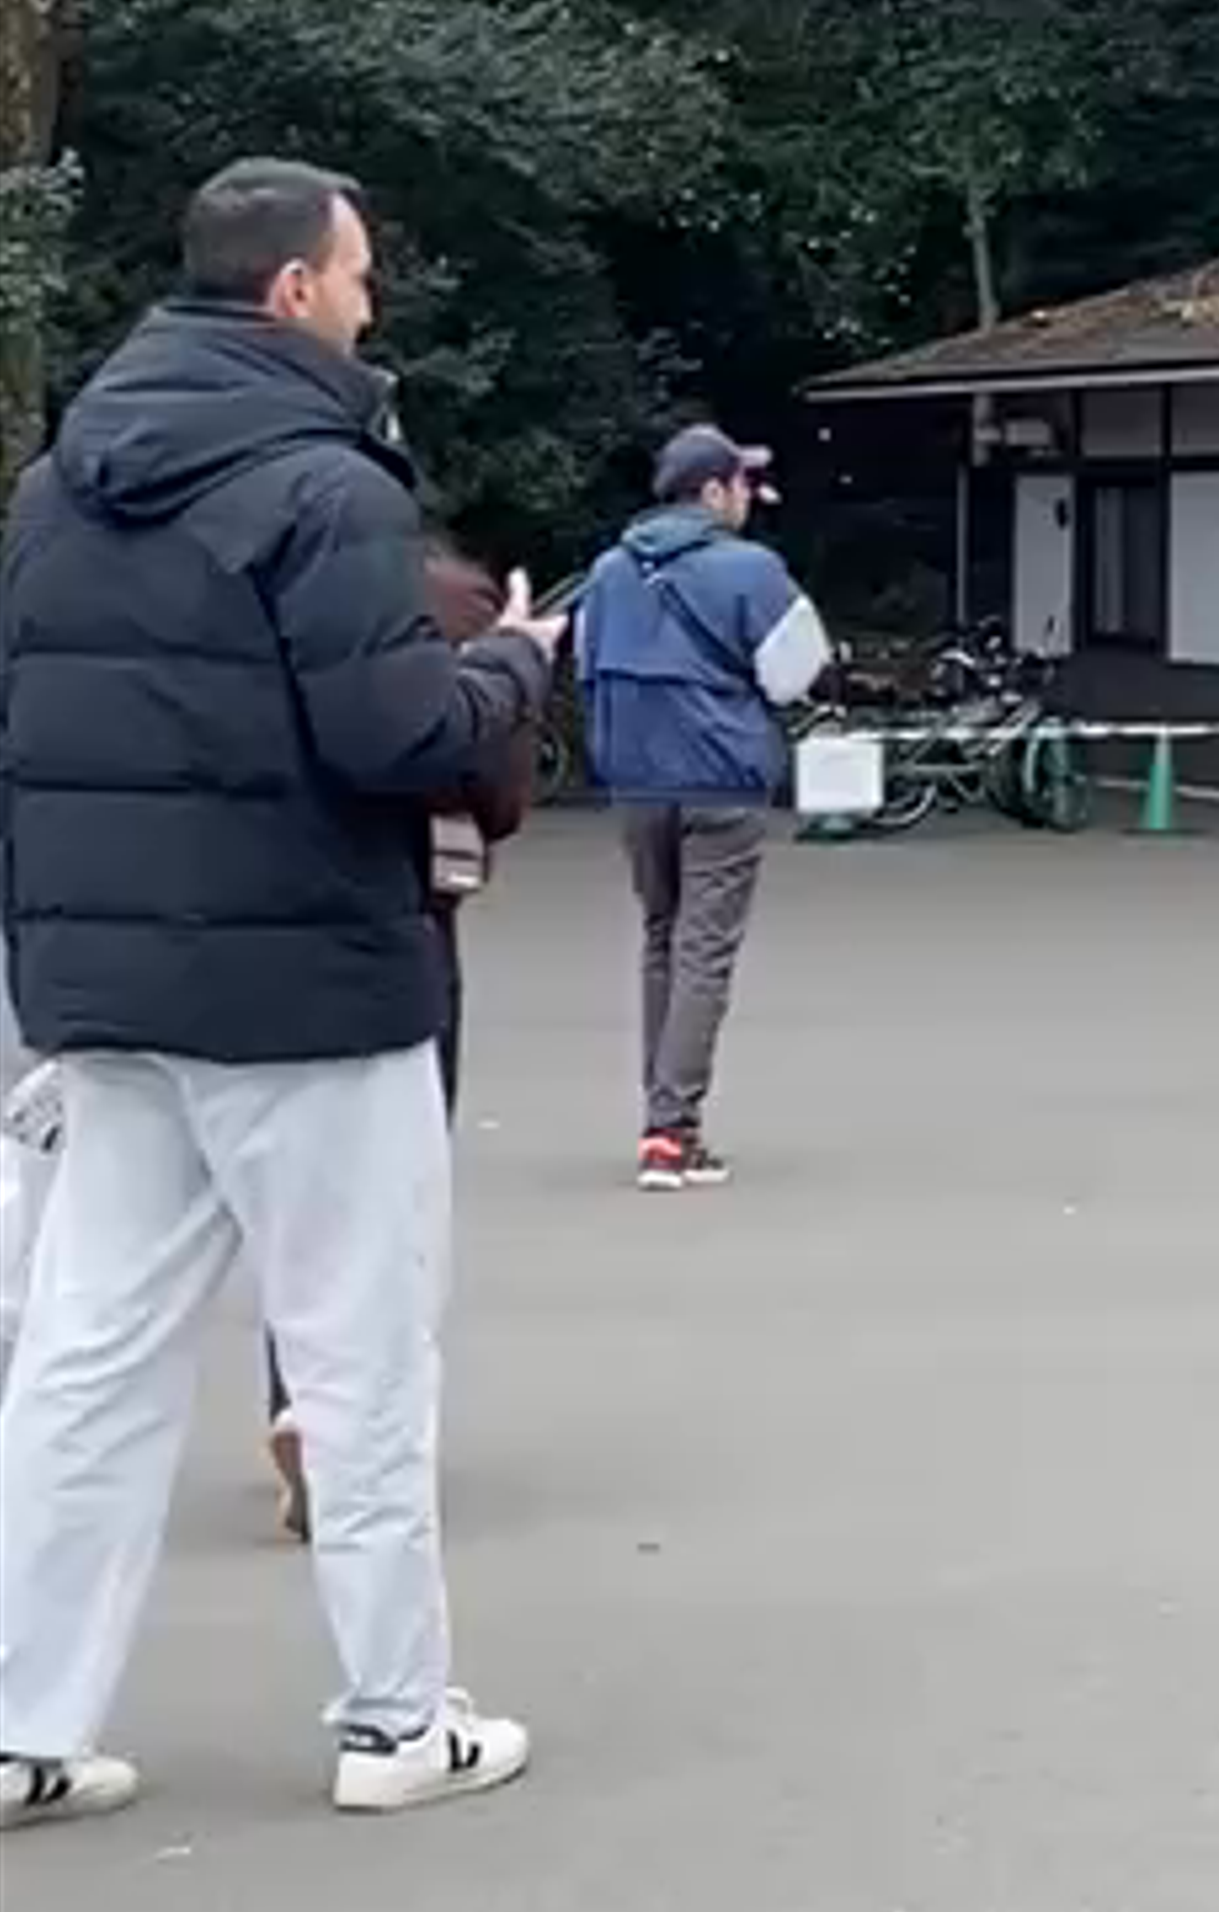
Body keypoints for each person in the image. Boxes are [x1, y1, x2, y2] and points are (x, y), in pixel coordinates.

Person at [0, 159, 553, 1825]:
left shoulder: (56, 484)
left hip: (104, 980)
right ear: (294, 291)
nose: (374, 302)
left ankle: (21, 1721)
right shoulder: (329, 487)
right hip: (308, 980)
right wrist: (515, 666)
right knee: (362, 1356)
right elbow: (396, 736)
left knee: (86, 1363)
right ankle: (395, 1717)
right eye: (363, 275)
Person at [264, 528, 540, 1538]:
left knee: (264, 1204)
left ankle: (289, 1394)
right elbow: (489, 788)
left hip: (221, 927)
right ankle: (349, 1427)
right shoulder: (451, 601)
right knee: (386, 1204)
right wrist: (515, 657)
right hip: (398, 925)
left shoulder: (209, 574)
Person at [571, 424, 828, 1188]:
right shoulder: (751, 568)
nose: (750, 498)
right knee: (703, 950)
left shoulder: (609, 570)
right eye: (743, 485)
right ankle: (671, 1129)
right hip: (719, 777)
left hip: (634, 780)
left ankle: (663, 1115)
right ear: (713, 491)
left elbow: (584, 662)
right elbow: (795, 673)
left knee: (661, 935)